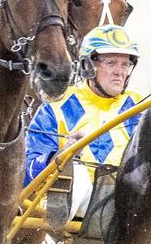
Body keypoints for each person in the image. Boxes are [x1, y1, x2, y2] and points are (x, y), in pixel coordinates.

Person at [25, 24, 142, 228]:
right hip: (82, 200)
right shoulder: (57, 106)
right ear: (88, 66)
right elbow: (28, 166)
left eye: (125, 64)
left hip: (131, 199)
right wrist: (61, 157)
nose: (119, 72)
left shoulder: (141, 106)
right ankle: (61, 206)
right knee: (76, 171)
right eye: (111, 62)